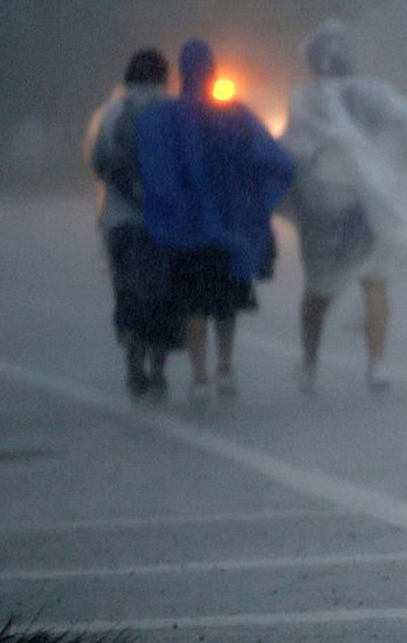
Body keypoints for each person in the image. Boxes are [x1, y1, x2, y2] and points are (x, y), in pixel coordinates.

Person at [279, 21, 407, 394]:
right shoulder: (376, 93)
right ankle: (376, 367)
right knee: (375, 281)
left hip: (327, 205)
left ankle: (309, 366)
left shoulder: (304, 99)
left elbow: (293, 149)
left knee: (319, 287)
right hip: (374, 202)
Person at [135, 38, 295, 405]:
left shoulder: (164, 119)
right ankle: (225, 368)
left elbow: (155, 170)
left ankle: (199, 375)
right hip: (229, 229)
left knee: (193, 305)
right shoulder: (232, 115)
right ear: (211, 70)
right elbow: (271, 159)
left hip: (186, 232)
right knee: (225, 304)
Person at [85, 48, 184, 400]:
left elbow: (97, 162)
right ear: (163, 76)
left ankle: (133, 365)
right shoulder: (174, 111)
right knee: (164, 294)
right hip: (166, 221)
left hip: (120, 220)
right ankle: (158, 369)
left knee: (128, 292)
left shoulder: (111, 112)